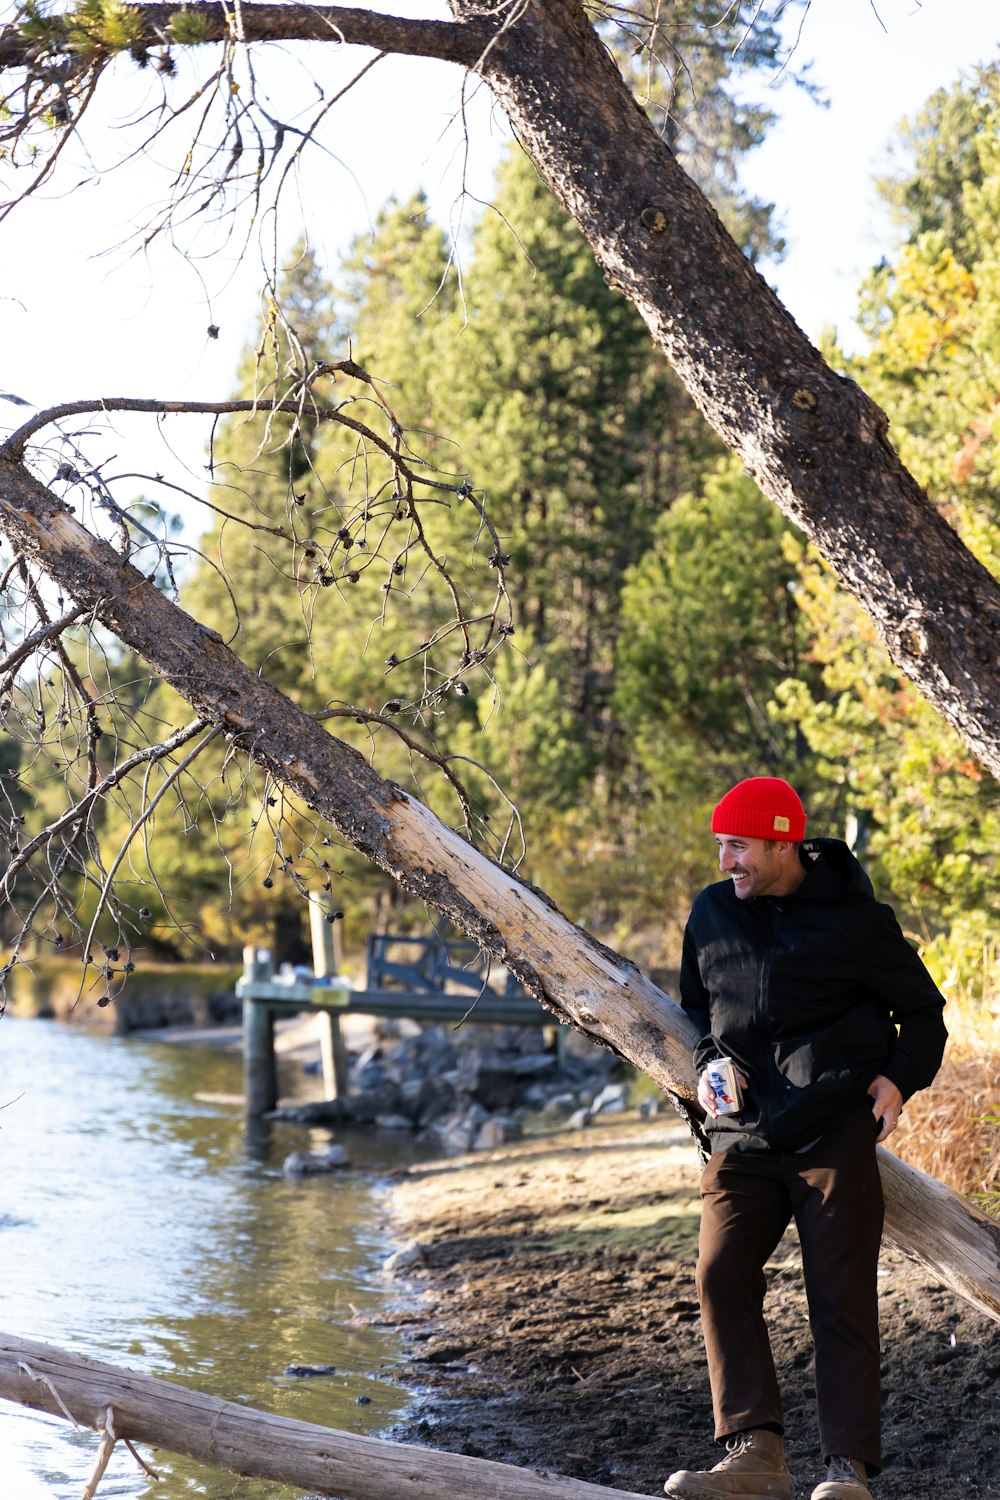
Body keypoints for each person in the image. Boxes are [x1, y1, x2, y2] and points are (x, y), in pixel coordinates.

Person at [664, 777, 947, 1500]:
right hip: (741, 1135)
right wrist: (708, 1066)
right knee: (719, 1274)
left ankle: (846, 1470)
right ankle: (754, 1452)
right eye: (721, 844)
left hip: (830, 1132)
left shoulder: (856, 922)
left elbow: (922, 1014)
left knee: (840, 1300)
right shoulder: (711, 913)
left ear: (783, 843)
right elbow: (699, 1007)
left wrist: (896, 1081)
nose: (726, 860)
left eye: (739, 846)